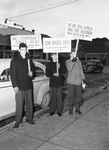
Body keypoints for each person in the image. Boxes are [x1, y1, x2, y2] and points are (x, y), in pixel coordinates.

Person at [10, 42, 35, 128]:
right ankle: (17, 121)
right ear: (19, 50)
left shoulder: (29, 60)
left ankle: (30, 118)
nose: (23, 51)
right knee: (19, 105)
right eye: (22, 50)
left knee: (29, 104)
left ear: (26, 50)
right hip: (19, 86)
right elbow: (12, 75)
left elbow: (33, 73)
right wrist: (15, 86)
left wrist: (32, 74)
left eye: (25, 50)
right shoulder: (14, 60)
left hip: (28, 85)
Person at [66, 51, 85, 115]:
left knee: (79, 96)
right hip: (71, 82)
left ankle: (77, 108)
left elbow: (81, 71)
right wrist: (73, 61)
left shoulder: (79, 62)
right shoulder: (68, 61)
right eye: (73, 53)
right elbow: (69, 69)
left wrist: (83, 80)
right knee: (71, 96)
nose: (74, 54)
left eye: (75, 53)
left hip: (78, 81)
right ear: (70, 54)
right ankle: (70, 108)